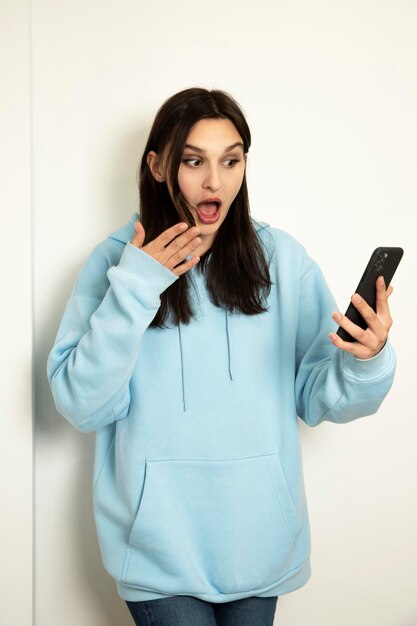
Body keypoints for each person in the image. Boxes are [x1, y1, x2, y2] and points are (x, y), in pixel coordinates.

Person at [47, 87, 396, 626]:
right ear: (158, 166)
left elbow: (315, 397)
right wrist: (137, 286)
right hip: (158, 549)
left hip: (259, 541)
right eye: (194, 161)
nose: (216, 181)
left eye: (231, 160)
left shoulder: (282, 258)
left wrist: (365, 359)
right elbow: (81, 403)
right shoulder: (114, 263)